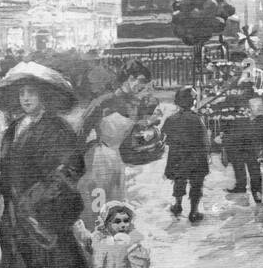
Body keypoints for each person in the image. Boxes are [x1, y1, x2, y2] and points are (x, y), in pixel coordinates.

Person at [0, 63, 88, 268]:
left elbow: (71, 168)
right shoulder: (12, 129)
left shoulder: (58, 128)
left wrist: (36, 199)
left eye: (32, 93)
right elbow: (6, 172)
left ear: (45, 96)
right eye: (22, 94)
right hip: (14, 218)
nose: (26, 99)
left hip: (45, 218)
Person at [76, 112, 134, 231]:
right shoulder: (108, 155)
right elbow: (100, 186)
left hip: (95, 200)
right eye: (124, 133)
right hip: (100, 202)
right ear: (116, 134)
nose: (126, 137)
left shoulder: (97, 148)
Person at [162, 86, 210, 222]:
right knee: (196, 184)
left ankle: (177, 205)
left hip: (178, 157)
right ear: (192, 102)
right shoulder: (197, 119)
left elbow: (167, 139)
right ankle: (194, 212)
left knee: (179, 181)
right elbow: (204, 140)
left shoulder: (171, 119)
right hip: (196, 158)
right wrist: (207, 154)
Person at [80, 62, 153, 140]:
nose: (143, 86)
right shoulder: (103, 102)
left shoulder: (137, 104)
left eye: (145, 83)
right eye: (141, 81)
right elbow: (83, 130)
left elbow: (138, 133)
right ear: (129, 78)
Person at [223, 96, 263, 203]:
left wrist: (262, 151)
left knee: (254, 173)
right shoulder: (246, 119)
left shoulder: (260, 122)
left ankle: (257, 193)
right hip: (242, 149)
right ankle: (241, 187)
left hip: (252, 150)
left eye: (251, 107)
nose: (249, 109)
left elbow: (262, 138)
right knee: (240, 169)